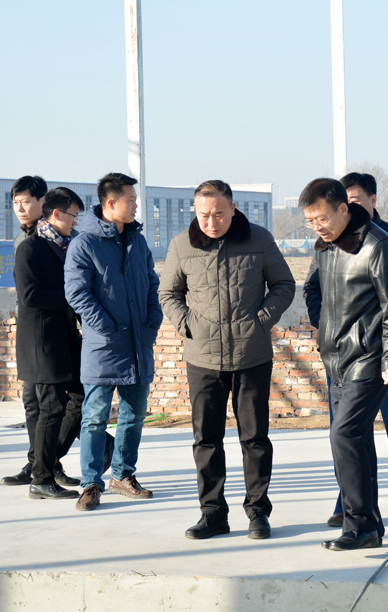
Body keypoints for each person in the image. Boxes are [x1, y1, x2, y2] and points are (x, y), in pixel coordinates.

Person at [159, 180, 295, 541]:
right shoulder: (182, 244)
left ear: (233, 209)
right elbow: (168, 293)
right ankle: (213, 514)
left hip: (251, 355)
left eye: (219, 213)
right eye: (204, 214)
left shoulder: (259, 239)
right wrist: (188, 325)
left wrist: (261, 320)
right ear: (195, 211)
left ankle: (258, 512)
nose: (211, 221)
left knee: (255, 438)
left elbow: (284, 285)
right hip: (202, 358)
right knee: (206, 439)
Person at [303, 172, 388, 530]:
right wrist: (330, 328)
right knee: (348, 436)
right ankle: (349, 505)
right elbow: (313, 289)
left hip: (383, 355)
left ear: (369, 200)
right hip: (341, 357)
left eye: (354, 200)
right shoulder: (326, 243)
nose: (320, 224)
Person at [65, 173, 163, 512]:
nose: (136, 205)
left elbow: (152, 284)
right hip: (103, 347)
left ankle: (123, 475)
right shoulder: (84, 244)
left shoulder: (138, 241)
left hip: (137, 344)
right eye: (130, 200)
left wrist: (152, 322)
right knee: (94, 417)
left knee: (134, 415)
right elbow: (77, 293)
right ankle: (90, 484)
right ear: (111, 203)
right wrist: (106, 327)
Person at [14, 187, 87, 500]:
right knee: (51, 406)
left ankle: (46, 461)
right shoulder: (30, 248)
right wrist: (71, 296)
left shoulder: (67, 246)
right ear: (56, 214)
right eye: (73, 215)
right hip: (41, 341)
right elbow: (29, 295)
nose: (75, 221)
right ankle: (41, 479)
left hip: (66, 336)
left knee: (83, 395)